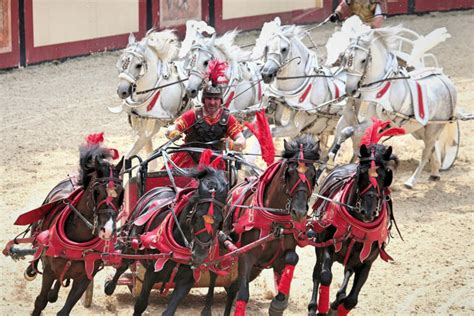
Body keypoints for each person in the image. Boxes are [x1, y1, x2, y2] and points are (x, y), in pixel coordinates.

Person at [164, 60, 246, 169]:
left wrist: (235, 144)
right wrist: (172, 132)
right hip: (189, 162)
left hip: (216, 165)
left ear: (221, 100)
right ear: (203, 99)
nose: (212, 102)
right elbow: (172, 128)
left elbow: (241, 140)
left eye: (216, 99)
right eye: (209, 98)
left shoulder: (227, 118)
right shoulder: (193, 115)